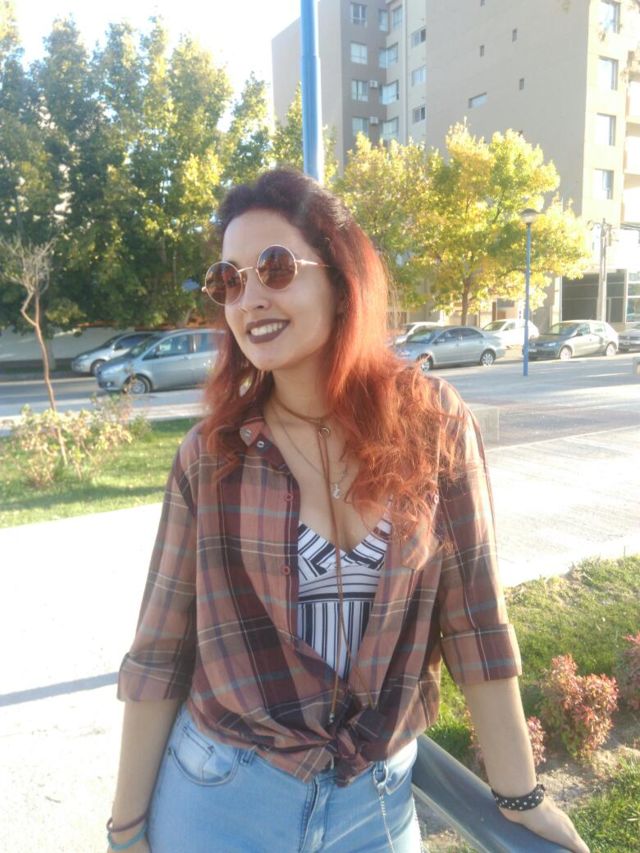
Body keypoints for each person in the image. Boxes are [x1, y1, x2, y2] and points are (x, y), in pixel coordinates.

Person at [107, 168, 589, 853]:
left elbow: (475, 623)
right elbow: (159, 653)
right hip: (221, 796)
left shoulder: (434, 423)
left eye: (275, 268)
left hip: (376, 807)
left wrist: (520, 795)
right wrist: (125, 831)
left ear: (339, 277)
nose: (250, 298)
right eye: (229, 281)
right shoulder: (212, 457)